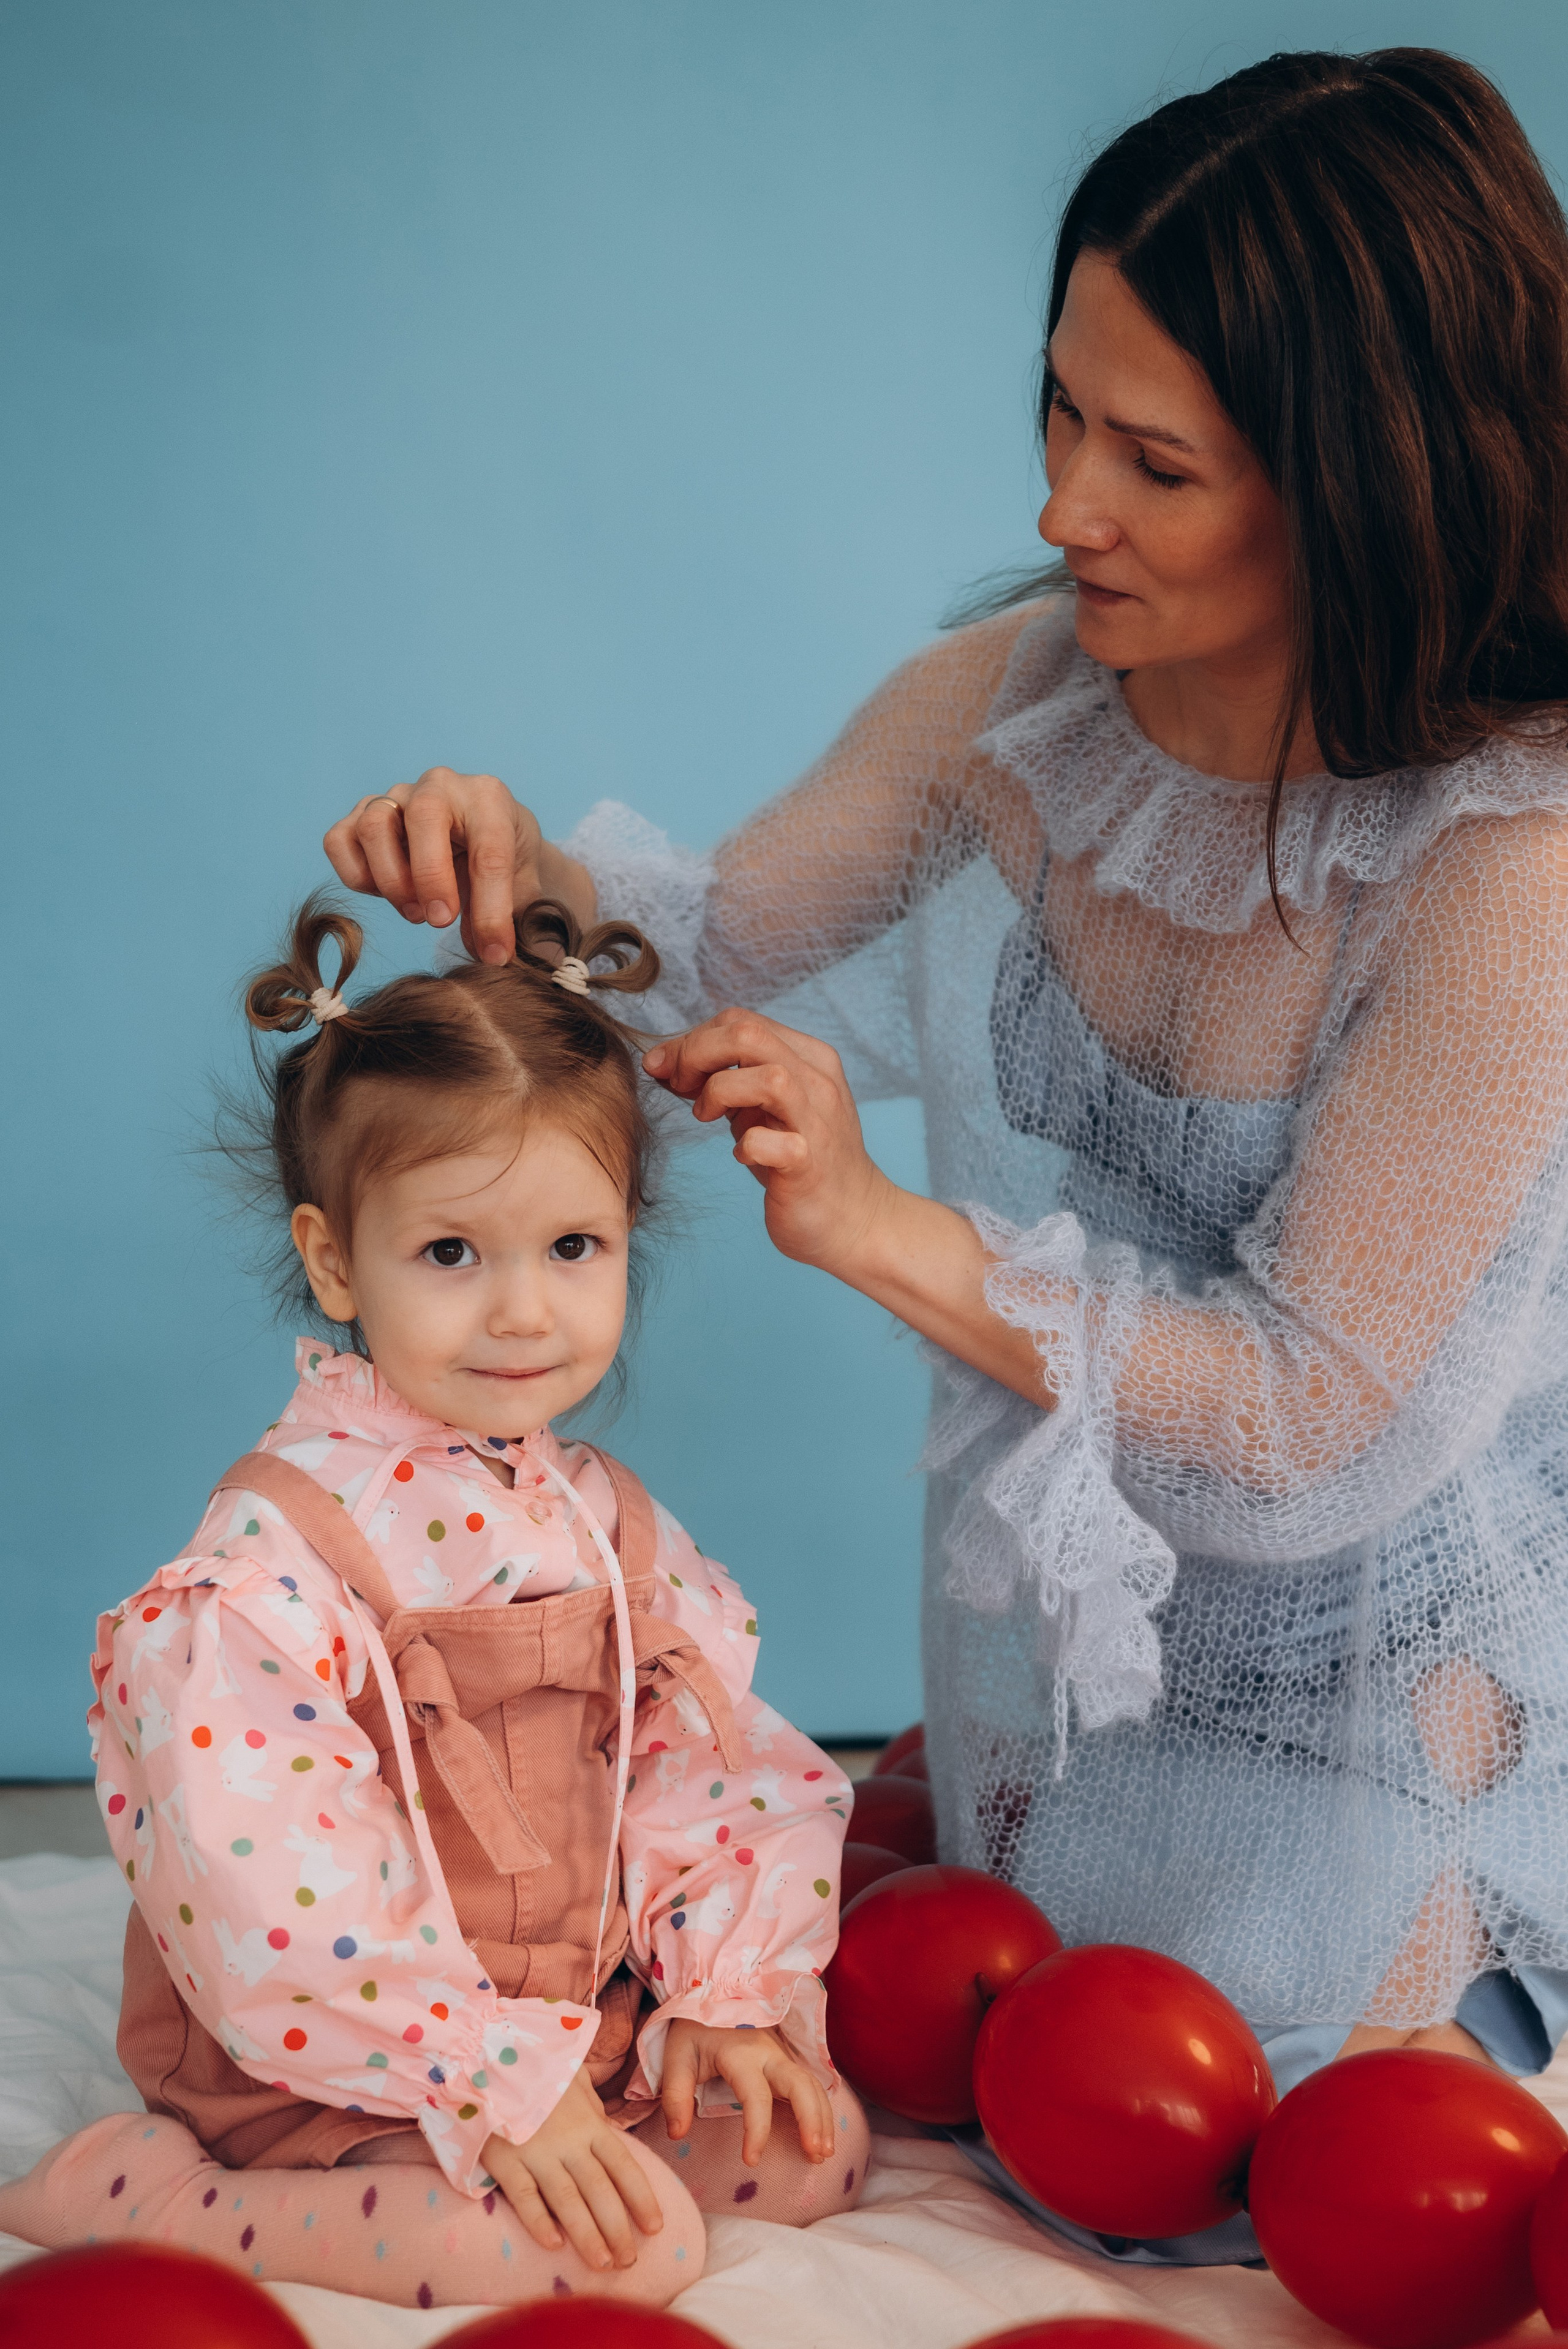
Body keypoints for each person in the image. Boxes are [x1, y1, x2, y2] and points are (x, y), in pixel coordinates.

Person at [318, 43, 1568, 2176]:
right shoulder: (1022, 706)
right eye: (1058, 411)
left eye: (1154, 460)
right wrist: (520, 870)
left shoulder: (1499, 864)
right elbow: (704, 944)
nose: (1066, 506)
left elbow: (1312, 1420)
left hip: (1372, 1684)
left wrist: (889, 1229)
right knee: (982, 2070)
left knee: (1267, 2167)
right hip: (1076, 1654)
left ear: (1368, 480)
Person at [0, 897, 867, 2312]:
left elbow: (703, 1766)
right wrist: (481, 2078)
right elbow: (271, 1892)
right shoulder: (276, 1561)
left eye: (573, 1249)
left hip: (568, 2035)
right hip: (336, 2063)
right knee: (619, 2252)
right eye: (453, 1255)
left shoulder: (603, 1524)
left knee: (807, 2148)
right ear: (338, 1260)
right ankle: (158, 2196)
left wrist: (722, 1992)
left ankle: (587, 2109)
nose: (524, 1312)